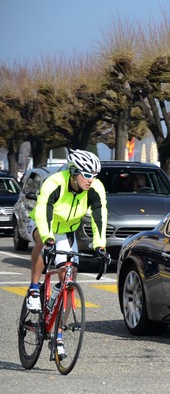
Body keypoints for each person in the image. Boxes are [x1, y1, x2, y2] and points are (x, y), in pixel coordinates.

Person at [25, 149, 108, 357]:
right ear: (74, 172)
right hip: (42, 223)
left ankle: (58, 336)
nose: (91, 180)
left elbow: (100, 218)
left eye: (94, 176)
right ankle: (34, 289)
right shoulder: (55, 182)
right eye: (87, 175)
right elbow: (44, 211)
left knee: (69, 278)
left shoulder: (95, 189)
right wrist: (48, 238)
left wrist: (101, 246)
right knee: (43, 245)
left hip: (67, 231)